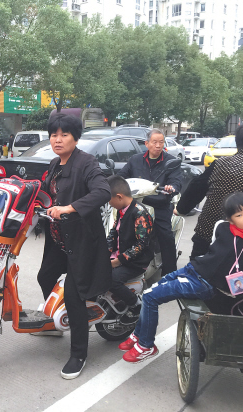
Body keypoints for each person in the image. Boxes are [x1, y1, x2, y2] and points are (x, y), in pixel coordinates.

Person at [120, 192, 243, 363]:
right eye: (239, 215)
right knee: (154, 287)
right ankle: (138, 334)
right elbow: (213, 251)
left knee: (149, 296)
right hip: (194, 269)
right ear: (230, 219)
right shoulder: (222, 227)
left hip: (204, 284)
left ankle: (146, 346)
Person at [37, 113, 112, 380]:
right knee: (45, 276)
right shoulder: (54, 163)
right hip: (59, 239)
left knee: (74, 295)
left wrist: (70, 208)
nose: (57, 140)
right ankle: (56, 322)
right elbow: (45, 192)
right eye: (53, 135)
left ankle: (79, 354)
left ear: (75, 138)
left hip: (82, 242)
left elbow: (103, 192)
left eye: (64, 135)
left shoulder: (86, 163)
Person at [118, 129, 182, 276]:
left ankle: (170, 274)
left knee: (166, 236)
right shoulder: (135, 160)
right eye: (154, 142)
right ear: (147, 144)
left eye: (161, 142)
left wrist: (171, 187)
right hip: (136, 204)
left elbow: (176, 181)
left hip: (160, 205)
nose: (158, 145)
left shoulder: (171, 161)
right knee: (118, 230)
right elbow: (122, 176)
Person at [177, 125, 243, 259]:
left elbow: (197, 187)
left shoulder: (220, 164)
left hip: (209, 231)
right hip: (236, 240)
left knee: (198, 268)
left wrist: (180, 209)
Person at [106, 175, 154, 324]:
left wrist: (118, 261)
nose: (109, 204)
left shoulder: (139, 213)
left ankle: (135, 306)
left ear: (119, 197)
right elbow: (113, 233)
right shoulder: (121, 210)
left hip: (135, 262)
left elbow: (142, 244)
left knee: (110, 280)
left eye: (109, 200)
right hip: (119, 255)